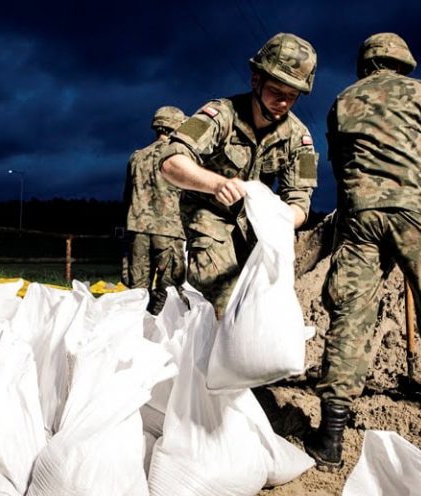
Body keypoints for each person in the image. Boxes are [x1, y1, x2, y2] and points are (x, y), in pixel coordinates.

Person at [304, 32, 421, 471]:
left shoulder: (342, 100)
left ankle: (331, 437)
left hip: (361, 214)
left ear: (366, 62)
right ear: (402, 61)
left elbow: (337, 163)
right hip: (416, 212)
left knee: (350, 312)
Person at [160, 33, 319, 318]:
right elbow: (172, 162)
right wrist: (217, 183)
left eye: (292, 96)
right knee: (222, 304)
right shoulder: (222, 115)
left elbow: (300, 202)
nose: (283, 103)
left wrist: (279, 218)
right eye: (276, 92)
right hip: (209, 218)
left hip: (256, 232)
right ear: (256, 80)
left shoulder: (299, 137)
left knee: (261, 308)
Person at [123, 106, 187, 315]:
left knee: (136, 290)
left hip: (137, 228)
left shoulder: (136, 157)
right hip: (169, 230)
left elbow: (127, 195)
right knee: (169, 290)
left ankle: (133, 330)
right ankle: (158, 330)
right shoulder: (179, 157)